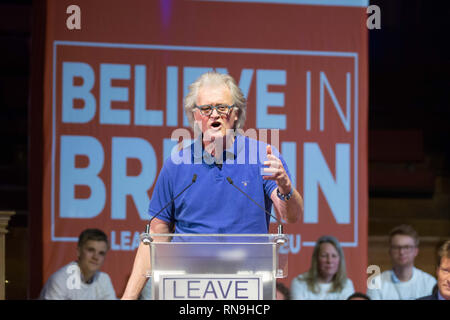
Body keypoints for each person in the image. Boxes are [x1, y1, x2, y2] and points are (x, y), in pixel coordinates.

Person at [122, 71, 303, 299]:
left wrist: (285, 187)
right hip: (187, 288)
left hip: (245, 287)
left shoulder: (261, 156)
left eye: (222, 107)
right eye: (206, 109)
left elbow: (290, 216)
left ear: (236, 114)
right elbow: (156, 234)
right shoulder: (177, 163)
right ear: (195, 116)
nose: (214, 115)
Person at [39, 228, 117, 300]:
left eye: (101, 253)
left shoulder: (104, 279)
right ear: (78, 251)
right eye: (91, 250)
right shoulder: (60, 280)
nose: (96, 257)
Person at [366, 224, 436, 300]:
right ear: (390, 251)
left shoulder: (429, 282)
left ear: (416, 251)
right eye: (396, 247)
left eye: (407, 247)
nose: (402, 252)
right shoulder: (376, 282)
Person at [291, 235, 354, 300]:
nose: (329, 261)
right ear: (316, 259)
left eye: (334, 256)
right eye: (324, 256)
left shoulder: (346, 284)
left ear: (340, 260)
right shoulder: (300, 283)